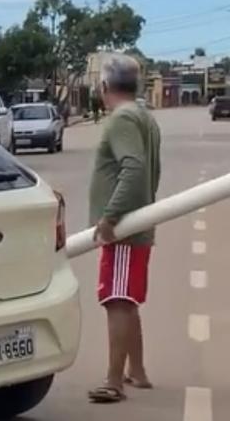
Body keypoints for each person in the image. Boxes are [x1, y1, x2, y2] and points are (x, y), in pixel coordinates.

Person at [87, 55, 161, 404]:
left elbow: (133, 168)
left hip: (124, 231)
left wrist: (110, 216)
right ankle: (137, 371)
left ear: (104, 87)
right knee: (127, 301)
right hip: (139, 224)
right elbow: (148, 171)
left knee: (116, 301)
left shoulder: (121, 119)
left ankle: (114, 380)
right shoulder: (146, 118)